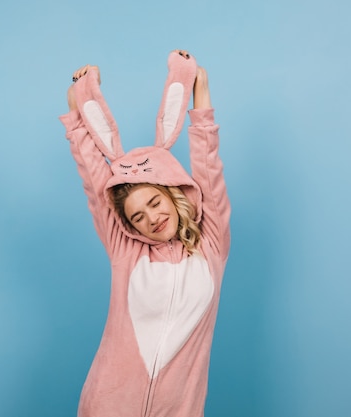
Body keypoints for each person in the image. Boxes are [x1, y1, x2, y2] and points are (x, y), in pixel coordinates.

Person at [59, 50, 231, 417]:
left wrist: (200, 91)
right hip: (107, 405)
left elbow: (208, 169)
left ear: (171, 192)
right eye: (137, 216)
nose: (151, 218)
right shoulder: (127, 253)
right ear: (128, 225)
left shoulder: (211, 245)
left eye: (154, 201)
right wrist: (76, 104)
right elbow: (94, 178)